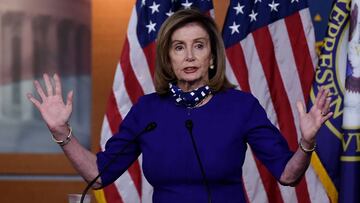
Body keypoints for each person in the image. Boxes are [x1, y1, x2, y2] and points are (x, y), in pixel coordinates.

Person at [27, 9, 332, 203]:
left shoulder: (242, 107)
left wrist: (306, 143)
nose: (189, 56)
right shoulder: (147, 111)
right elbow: (99, 174)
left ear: (212, 58)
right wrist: (62, 132)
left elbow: (288, 175)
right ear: (168, 58)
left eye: (199, 46)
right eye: (179, 47)